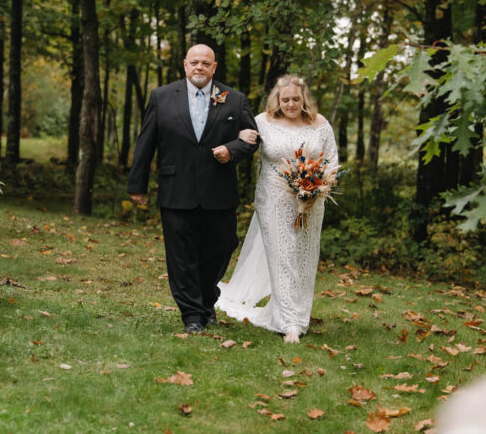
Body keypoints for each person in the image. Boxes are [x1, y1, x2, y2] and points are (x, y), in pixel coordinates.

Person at [127, 44, 258, 334]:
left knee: (222, 247)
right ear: (185, 65)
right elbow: (146, 142)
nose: (199, 67)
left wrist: (231, 149)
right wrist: (137, 184)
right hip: (177, 188)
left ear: (214, 67)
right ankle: (192, 316)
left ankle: (207, 299)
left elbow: (251, 139)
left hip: (219, 191)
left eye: (205, 63)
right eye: (194, 62)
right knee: (181, 255)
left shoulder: (234, 100)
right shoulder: (161, 97)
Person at [216, 74, 338, 344]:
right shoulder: (261, 121)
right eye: (286, 99)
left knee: (304, 260)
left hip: (311, 202)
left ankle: (298, 316)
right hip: (273, 200)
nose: (291, 104)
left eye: (296, 99)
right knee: (283, 257)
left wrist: (317, 189)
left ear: (304, 99)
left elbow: (331, 161)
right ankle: (289, 325)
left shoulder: (320, 125)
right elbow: (240, 142)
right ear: (277, 100)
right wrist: (236, 137)